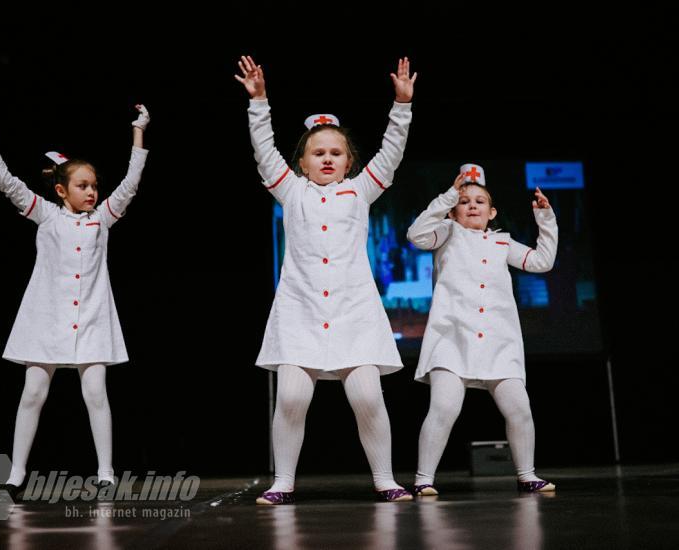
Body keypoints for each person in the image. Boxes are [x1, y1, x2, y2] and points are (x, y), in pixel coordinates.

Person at [235, 55, 416, 503]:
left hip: (354, 311)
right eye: (319, 153)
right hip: (300, 311)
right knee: (292, 399)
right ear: (302, 162)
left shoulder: (362, 188)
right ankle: (283, 483)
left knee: (368, 399)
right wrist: (259, 102)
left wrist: (402, 105)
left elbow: (391, 152)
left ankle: (385, 480)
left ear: (350, 160)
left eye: (337, 153)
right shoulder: (289, 189)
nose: (328, 158)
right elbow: (264, 149)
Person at [0, 97, 150, 496]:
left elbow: (130, 186)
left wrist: (138, 134)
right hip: (46, 319)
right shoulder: (45, 214)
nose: (92, 192)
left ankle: (105, 473)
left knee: (96, 392)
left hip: (93, 318)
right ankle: (15, 474)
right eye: (83, 186)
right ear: (62, 190)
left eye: (94, 186)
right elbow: (8, 183)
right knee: (32, 393)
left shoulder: (102, 219)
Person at [407, 163, 558, 494]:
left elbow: (542, 262)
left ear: (492, 212)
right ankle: (423, 480)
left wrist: (545, 220)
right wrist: (447, 196)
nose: (472, 205)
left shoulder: (503, 243)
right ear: (452, 211)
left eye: (479, 201)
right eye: (464, 201)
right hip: (452, 338)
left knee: (519, 409)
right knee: (444, 408)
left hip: (498, 342)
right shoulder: (446, 233)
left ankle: (527, 475)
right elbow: (416, 234)